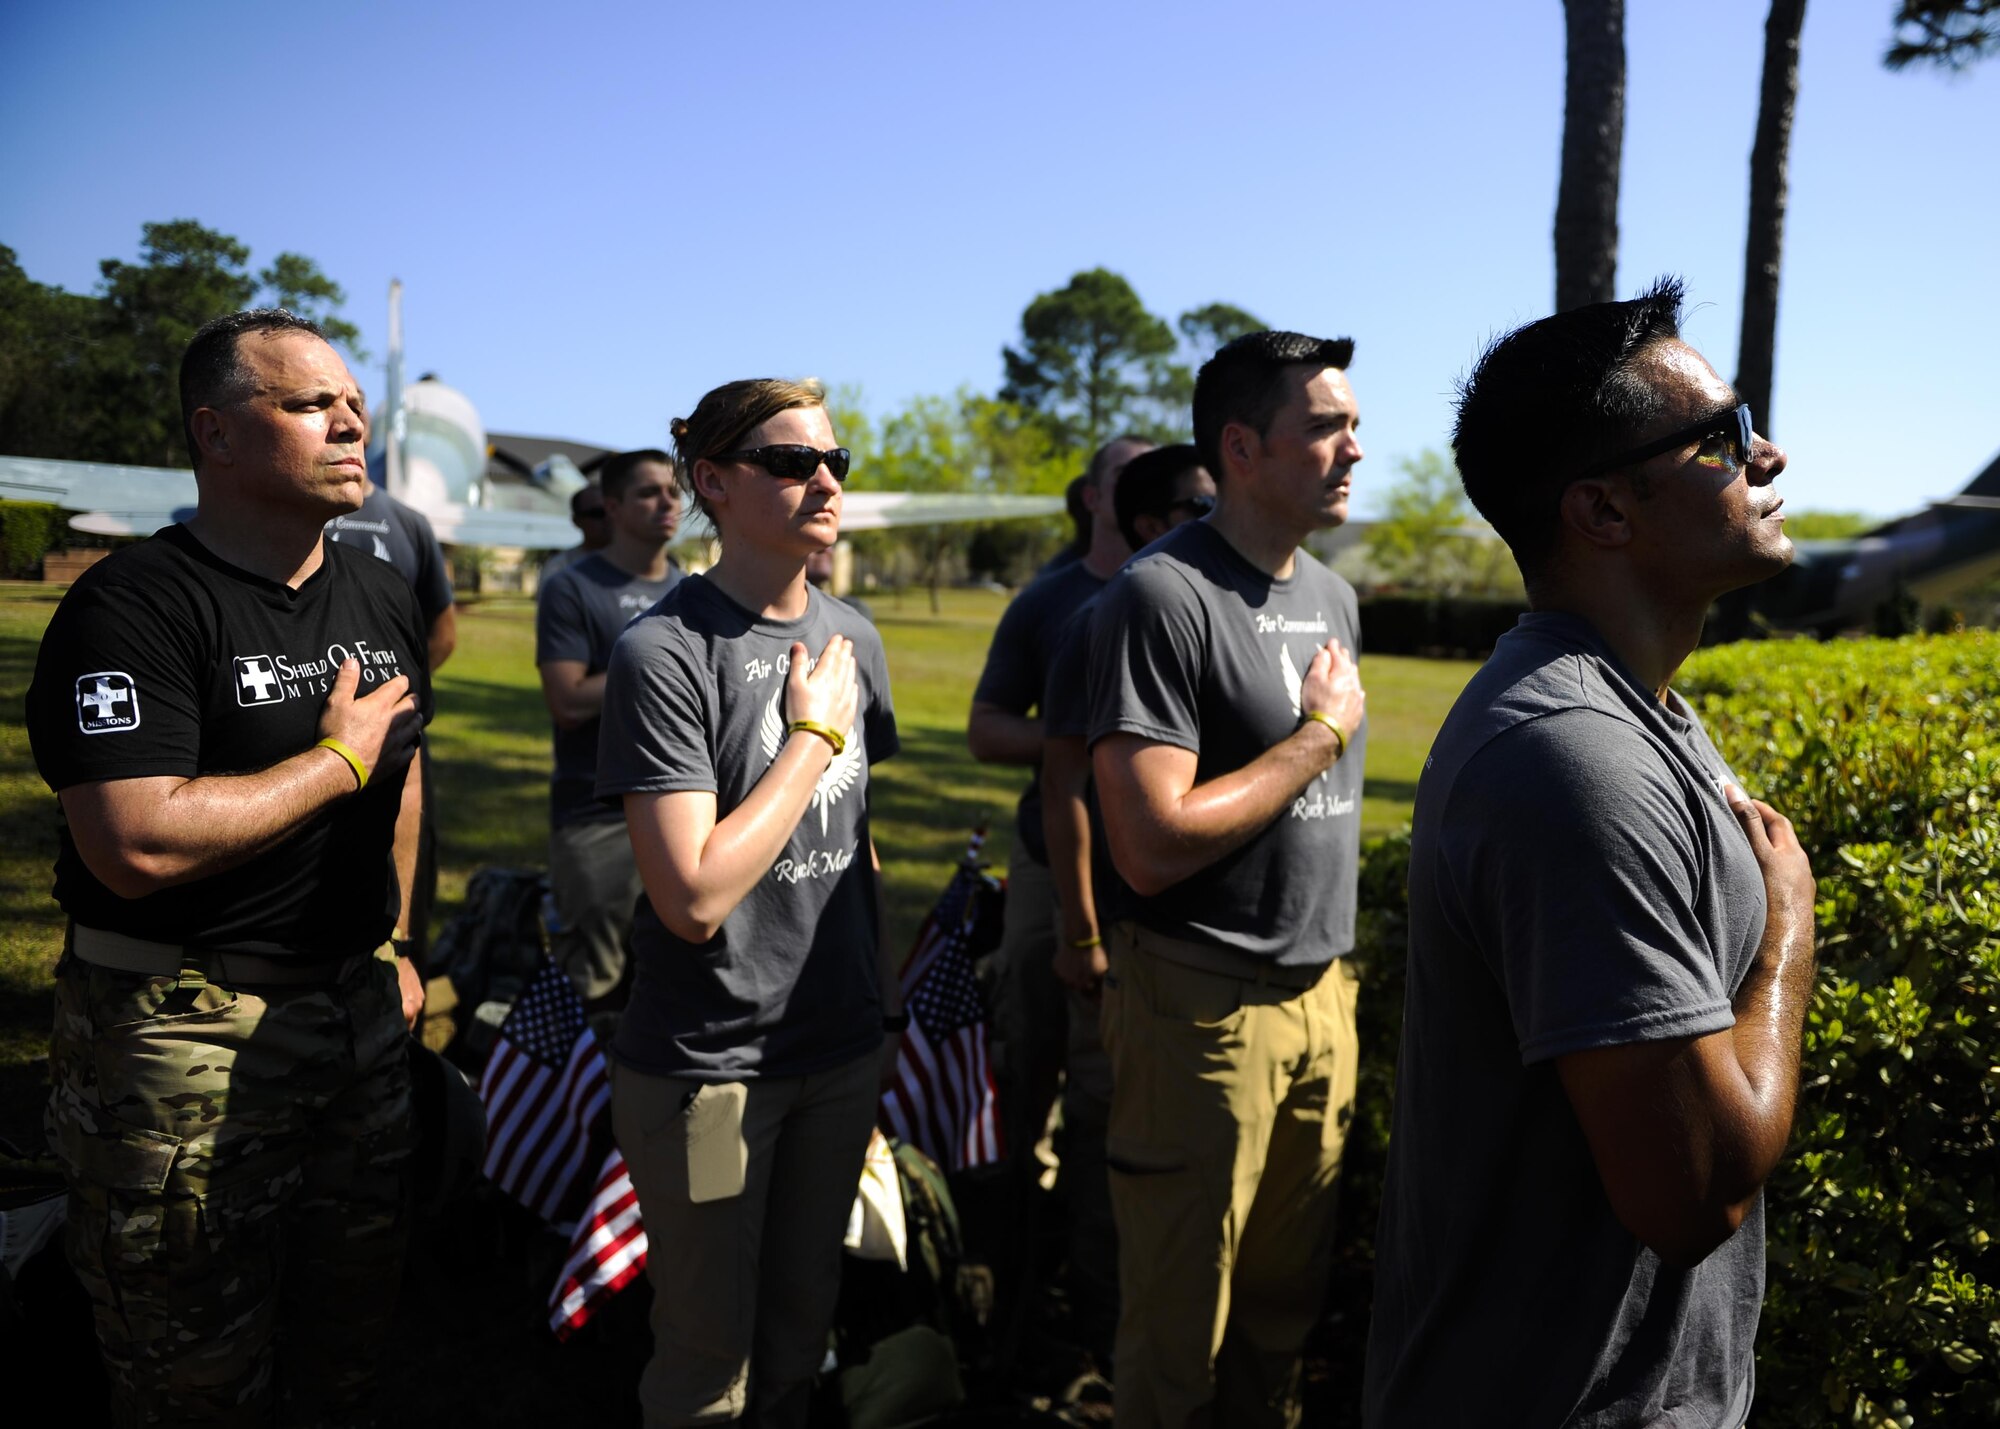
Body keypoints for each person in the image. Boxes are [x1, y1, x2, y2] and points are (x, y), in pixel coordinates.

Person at [1363, 278, 1812, 1428]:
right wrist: (1785, 947)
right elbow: (1693, 1185)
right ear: (1602, 512)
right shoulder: (1569, 757)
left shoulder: (1640, 710)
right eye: (1722, 436)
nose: (1766, 456)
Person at [26, 309, 430, 1425]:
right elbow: (136, 838)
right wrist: (334, 759)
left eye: (356, 405)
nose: (351, 422)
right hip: (177, 1028)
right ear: (216, 433)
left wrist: (393, 937)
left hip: (353, 1014)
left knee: (344, 1344)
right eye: (310, 404)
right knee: (191, 1370)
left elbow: (404, 772)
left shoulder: (377, 592)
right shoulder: (134, 604)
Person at [596, 378, 902, 1427]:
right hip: (710, 1081)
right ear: (713, 484)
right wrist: (810, 737)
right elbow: (691, 896)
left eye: (833, 462)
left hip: (837, 1058)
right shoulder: (664, 653)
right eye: (788, 462)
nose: (822, 480)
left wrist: (877, 1012)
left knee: (797, 1334)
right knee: (707, 1356)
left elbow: (853, 843)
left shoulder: (852, 635)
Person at [1086, 331, 1368, 1428]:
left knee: (1279, 1324)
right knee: (1175, 1340)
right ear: (1241, 447)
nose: (1354, 447)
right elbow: (1147, 844)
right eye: (1325, 427)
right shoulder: (1162, 597)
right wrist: (1316, 739)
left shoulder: (1335, 598)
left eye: (1353, 423)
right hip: (1200, 1018)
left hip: (1322, 1003)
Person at [1039, 442, 1217, 1366]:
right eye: (1197, 506)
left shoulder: (1219, 607)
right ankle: (1096, 1342)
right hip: (1124, 939)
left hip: (1206, 955)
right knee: (1112, 1143)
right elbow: (1063, 788)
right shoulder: (1100, 616)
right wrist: (1080, 931)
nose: (1214, 517)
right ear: (1149, 523)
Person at [967, 432, 1150, 1197]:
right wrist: (1079, 739)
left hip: (1149, 875)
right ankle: (1013, 1215)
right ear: (1093, 498)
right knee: (1034, 1045)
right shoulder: (1047, 601)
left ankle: (1090, 1227)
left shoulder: (1189, 594)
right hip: (1050, 862)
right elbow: (985, 727)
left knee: (1119, 1074)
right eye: (1130, 480)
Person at [536, 448, 683, 1026]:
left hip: (683, 813)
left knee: (670, 979)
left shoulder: (692, 591)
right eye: (649, 492)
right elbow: (568, 700)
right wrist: (655, 665)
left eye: (673, 491)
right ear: (613, 507)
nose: (667, 502)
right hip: (595, 817)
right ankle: (582, 1112)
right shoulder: (572, 588)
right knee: (596, 987)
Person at [328, 448, 457, 967]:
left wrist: (395, 690)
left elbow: (442, 631)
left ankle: (403, 971)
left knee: (403, 879)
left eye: (354, 401)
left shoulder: (409, 524)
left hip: (394, 742)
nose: (344, 417)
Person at [540, 482, 614, 588]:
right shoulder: (559, 567)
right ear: (577, 521)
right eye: (597, 513)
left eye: (612, 511)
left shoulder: (636, 562)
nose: (607, 519)